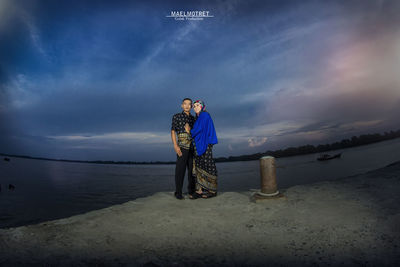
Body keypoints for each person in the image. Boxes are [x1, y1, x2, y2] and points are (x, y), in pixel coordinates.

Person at [184, 100, 218, 199]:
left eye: (197, 105)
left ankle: (212, 190)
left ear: (202, 106)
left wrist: (189, 130)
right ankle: (199, 190)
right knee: (199, 166)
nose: (195, 107)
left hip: (206, 143)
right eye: (194, 106)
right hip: (199, 145)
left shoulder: (204, 115)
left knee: (208, 165)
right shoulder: (198, 117)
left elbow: (198, 129)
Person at [171, 98, 196, 200]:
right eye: (185, 104)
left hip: (192, 147)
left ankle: (191, 191)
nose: (187, 106)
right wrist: (175, 145)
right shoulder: (177, 116)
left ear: (191, 106)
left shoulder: (193, 119)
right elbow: (173, 131)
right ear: (182, 105)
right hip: (181, 146)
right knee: (180, 170)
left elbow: (195, 133)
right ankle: (178, 192)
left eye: (189, 104)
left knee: (192, 171)